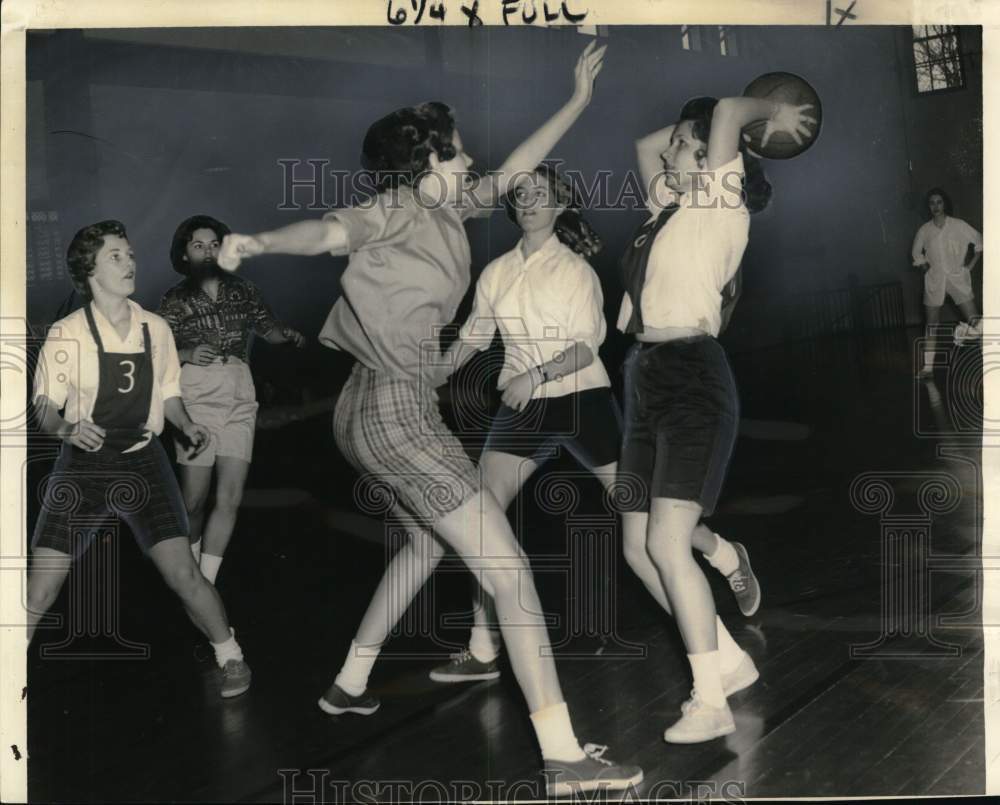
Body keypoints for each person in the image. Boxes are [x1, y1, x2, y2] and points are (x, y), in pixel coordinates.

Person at [218, 42, 643, 796]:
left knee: (422, 542)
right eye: (457, 152)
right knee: (511, 576)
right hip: (392, 409)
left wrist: (577, 98)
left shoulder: (449, 209)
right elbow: (326, 231)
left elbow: (514, 169)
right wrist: (258, 242)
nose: (471, 159)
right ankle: (564, 757)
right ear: (426, 164)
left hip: (370, 407)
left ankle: (349, 680)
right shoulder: (399, 207)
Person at [428, 164, 758, 686]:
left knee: (650, 526)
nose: (530, 201)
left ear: (560, 205)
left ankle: (719, 560)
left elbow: (585, 346)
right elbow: (472, 337)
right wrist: (430, 373)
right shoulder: (495, 273)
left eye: (541, 193)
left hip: (583, 402)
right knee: (480, 517)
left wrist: (535, 374)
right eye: (522, 195)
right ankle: (483, 646)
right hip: (523, 412)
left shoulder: (575, 270)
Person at [617, 95, 814, 743]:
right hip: (645, 375)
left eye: (683, 144)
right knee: (638, 545)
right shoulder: (669, 210)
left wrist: (770, 112)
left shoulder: (719, 200)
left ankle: (710, 701)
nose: (666, 151)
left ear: (712, 157)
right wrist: (684, 130)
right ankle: (727, 662)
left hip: (692, 378)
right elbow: (648, 148)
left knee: (668, 544)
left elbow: (730, 108)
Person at [26, 220, 251, 698]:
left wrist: (186, 423)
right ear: (90, 270)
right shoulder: (66, 334)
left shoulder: (157, 328)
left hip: (143, 461)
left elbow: (168, 392)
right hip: (84, 466)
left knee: (183, 573)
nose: (129, 263)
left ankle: (230, 654)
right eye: (116, 256)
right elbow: (44, 407)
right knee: (39, 591)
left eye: (129, 254)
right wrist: (67, 427)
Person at [158, 215, 306, 585]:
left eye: (214, 245)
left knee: (230, 498)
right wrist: (188, 352)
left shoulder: (245, 289)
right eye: (198, 245)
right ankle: (188, 577)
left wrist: (287, 334)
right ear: (184, 253)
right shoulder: (174, 299)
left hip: (240, 392)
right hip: (195, 397)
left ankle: (206, 583)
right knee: (193, 499)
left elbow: (269, 329)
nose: (208, 252)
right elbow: (154, 351)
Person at [911, 187, 983, 377]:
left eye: (939, 202)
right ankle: (928, 368)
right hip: (934, 282)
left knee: (975, 322)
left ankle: (987, 364)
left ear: (945, 204)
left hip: (957, 279)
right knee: (931, 324)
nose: (936, 206)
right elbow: (916, 254)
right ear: (928, 206)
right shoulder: (924, 230)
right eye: (932, 203)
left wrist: (968, 268)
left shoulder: (958, 225)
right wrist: (927, 269)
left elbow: (979, 242)